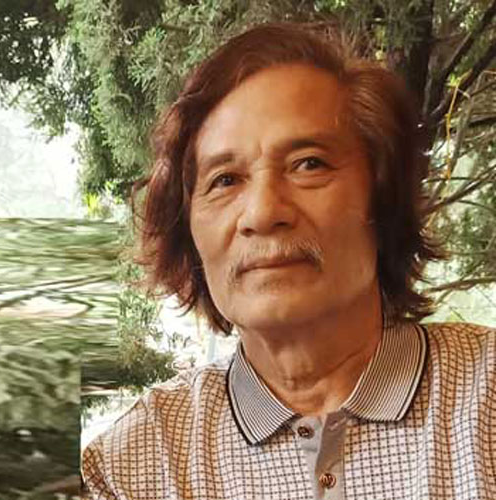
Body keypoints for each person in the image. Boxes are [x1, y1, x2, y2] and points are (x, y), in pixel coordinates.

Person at [82, 23, 495, 500]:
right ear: (189, 234)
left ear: (382, 200)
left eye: (309, 164)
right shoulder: (135, 467)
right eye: (225, 180)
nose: (262, 213)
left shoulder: (483, 399)